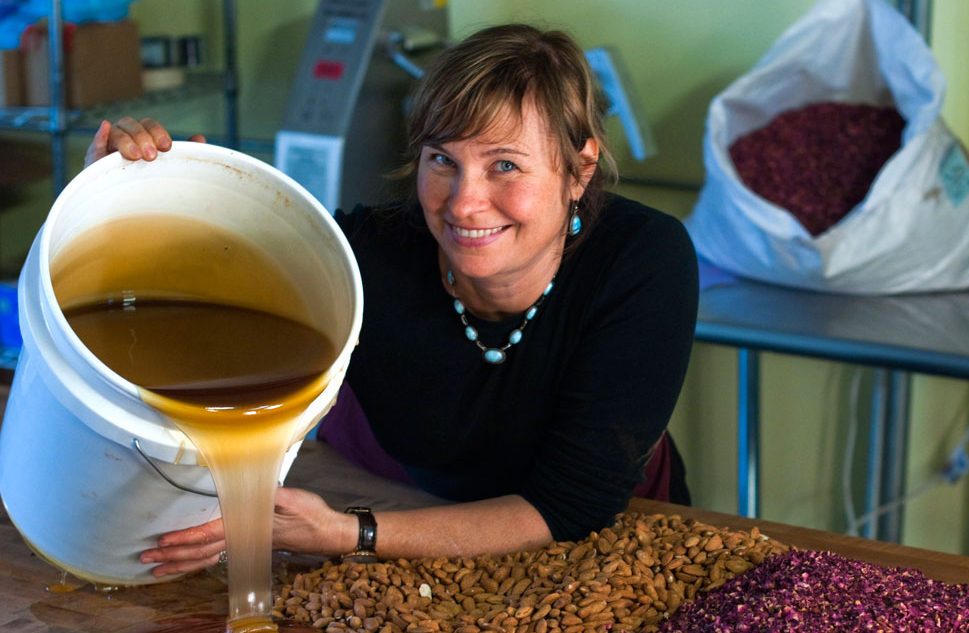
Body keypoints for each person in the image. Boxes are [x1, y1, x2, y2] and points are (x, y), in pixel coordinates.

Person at [86, 24, 699, 578]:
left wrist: (346, 533)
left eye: (505, 166)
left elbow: (571, 506)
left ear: (579, 169)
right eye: (442, 160)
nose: (462, 202)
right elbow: (196, 302)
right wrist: (123, 197)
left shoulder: (642, 259)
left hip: (598, 545)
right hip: (401, 507)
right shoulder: (365, 253)